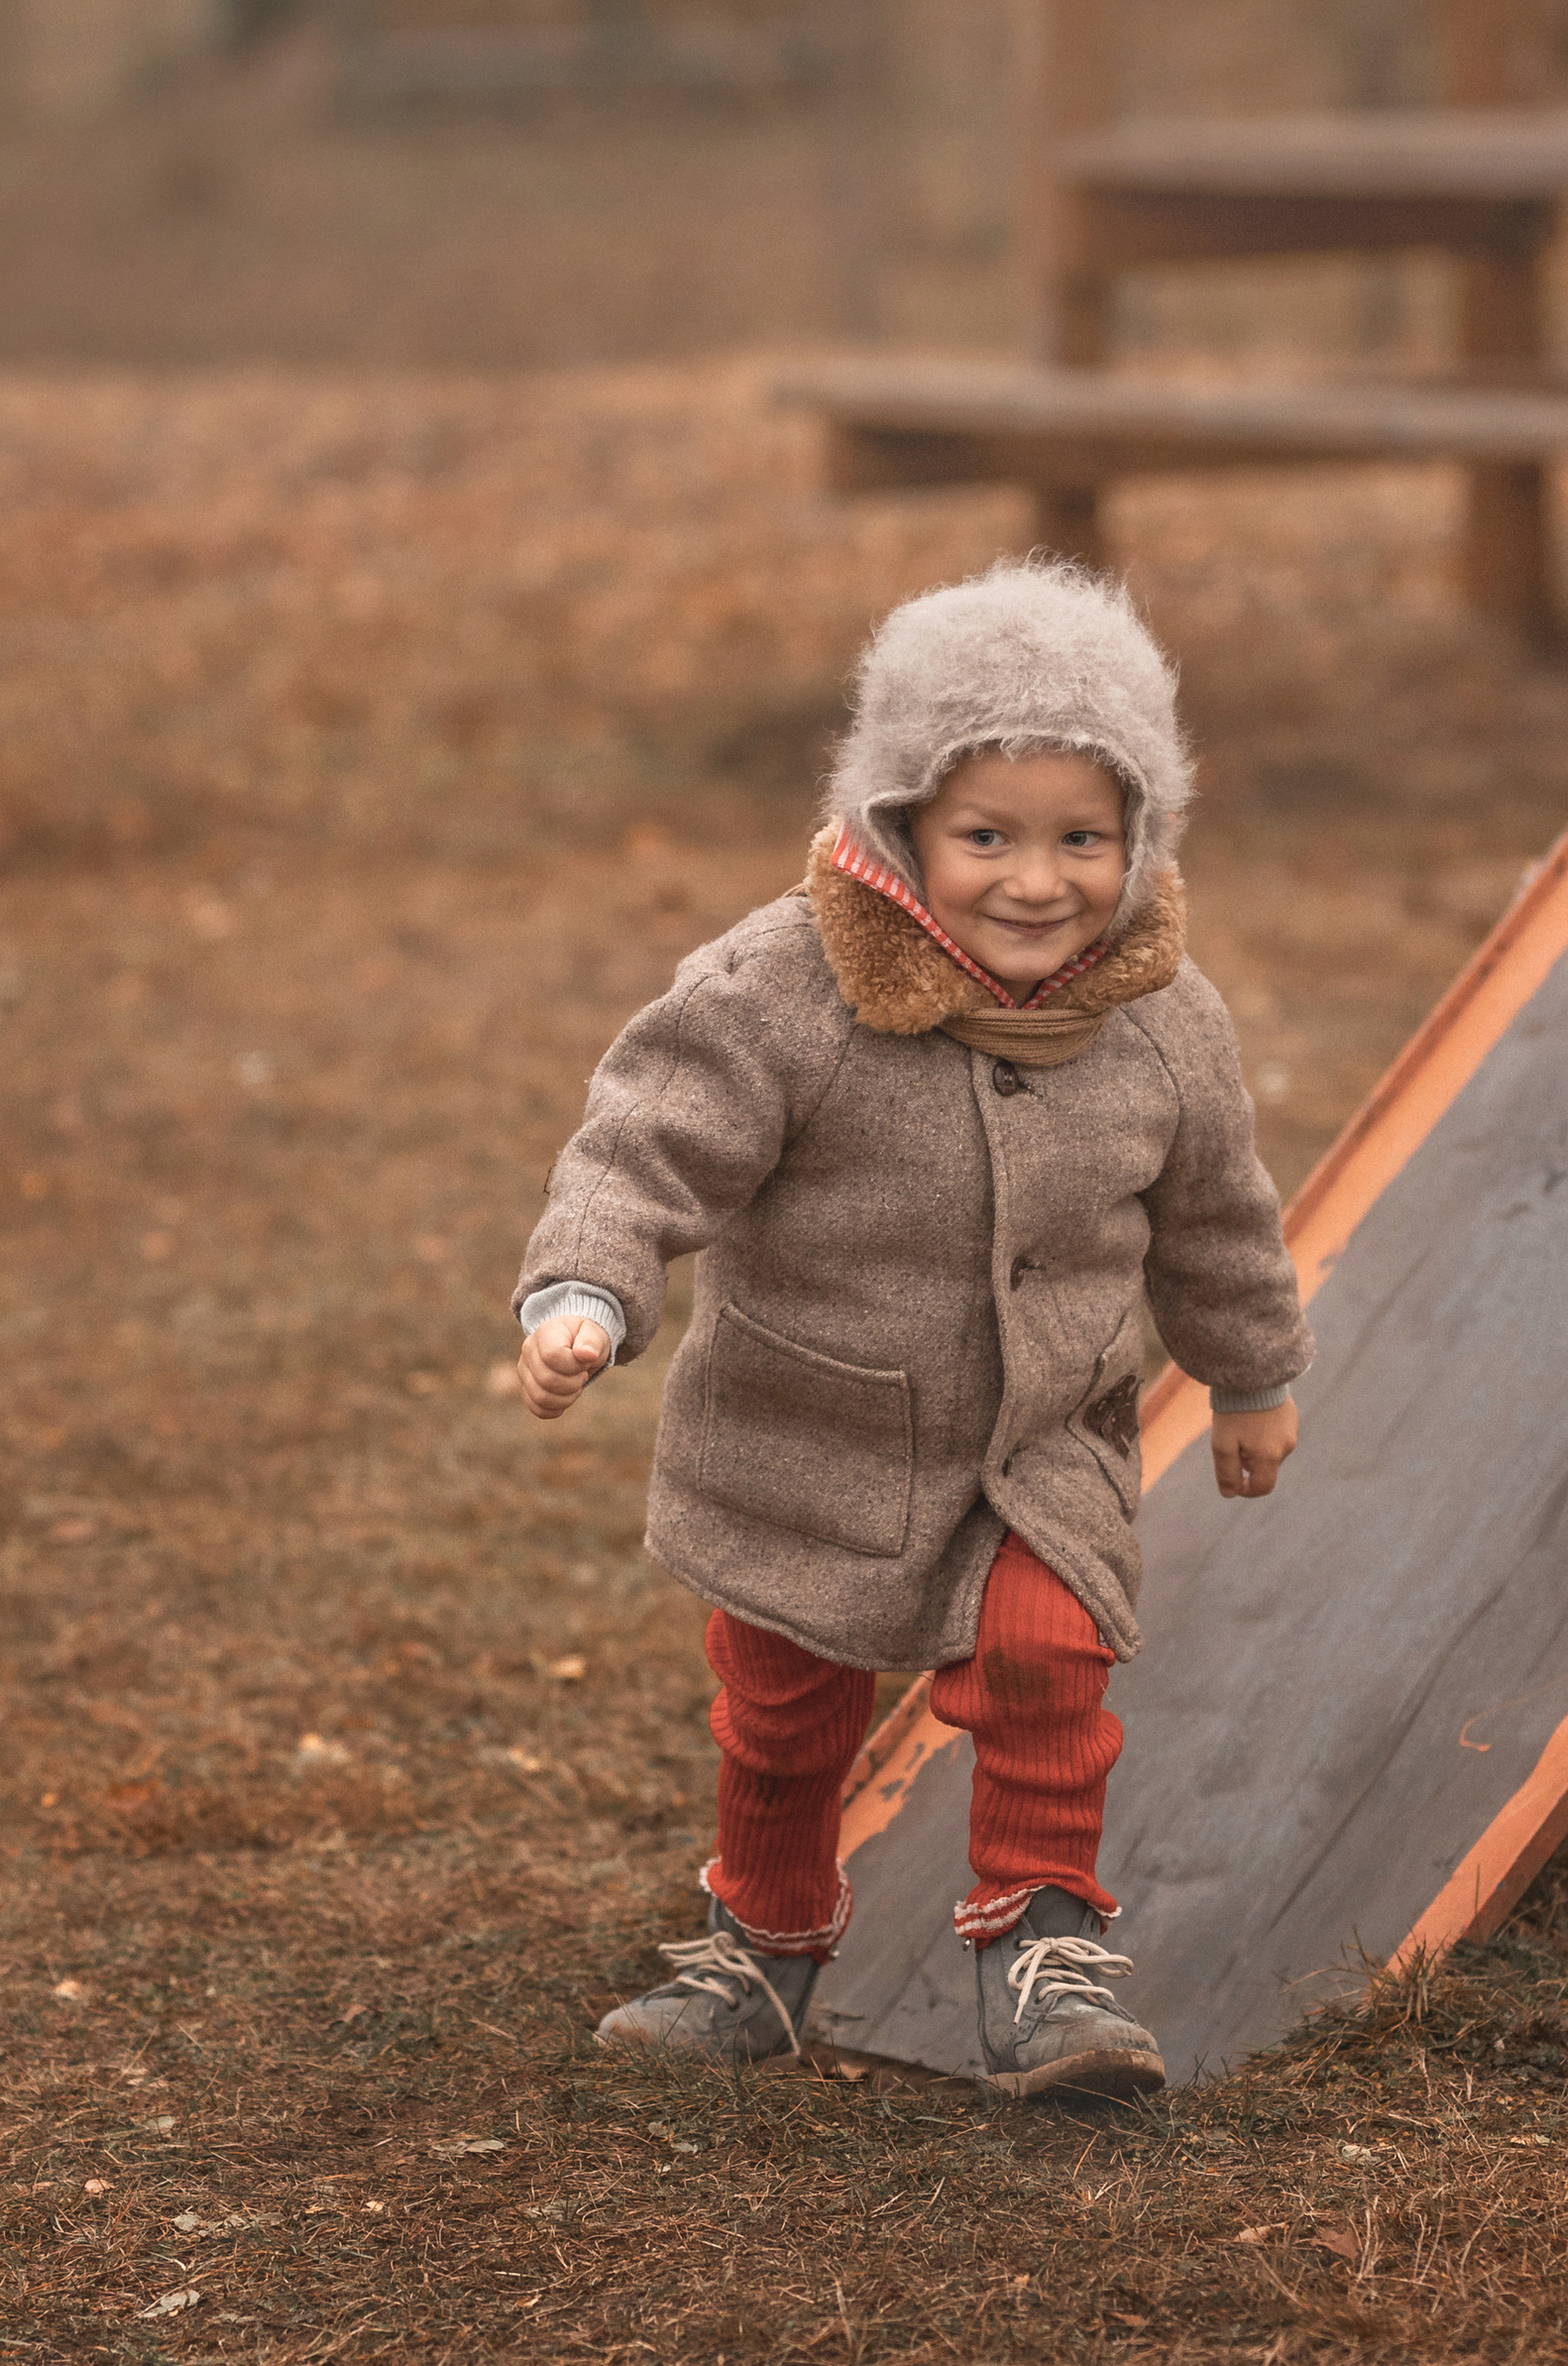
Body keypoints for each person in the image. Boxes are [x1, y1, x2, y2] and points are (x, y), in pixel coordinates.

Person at [509, 556, 1310, 2099]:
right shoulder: (782, 989)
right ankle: (764, 1946)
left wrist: (1253, 1371)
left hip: (1036, 1448)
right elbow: (643, 1145)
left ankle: (1045, 1958)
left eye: (1084, 837)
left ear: (1140, 837)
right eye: (986, 836)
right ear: (900, 829)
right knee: (787, 1711)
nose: (1036, 881)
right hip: (806, 1437)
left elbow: (1217, 1215)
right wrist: (588, 1292)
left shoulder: (1163, 1019)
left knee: (1044, 1657)